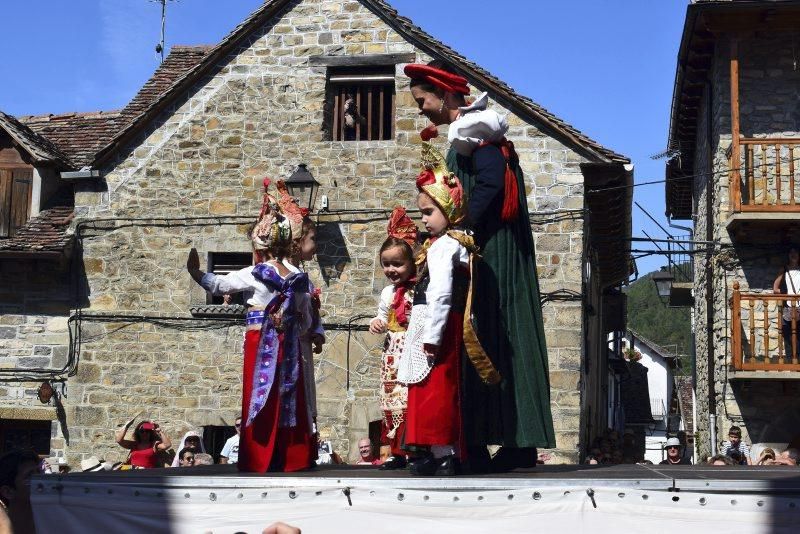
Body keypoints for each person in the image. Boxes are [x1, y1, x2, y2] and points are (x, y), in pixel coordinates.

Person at [405, 60, 554, 472]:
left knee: (496, 337)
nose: (420, 109)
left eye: (422, 100)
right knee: (479, 342)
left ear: (446, 94)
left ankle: (514, 440)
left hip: (495, 253)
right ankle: (483, 440)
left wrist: (460, 228)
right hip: (479, 250)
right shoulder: (462, 140)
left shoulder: (479, 135)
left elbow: (489, 185)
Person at [188, 178, 318, 473]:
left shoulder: (256, 273)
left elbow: (220, 284)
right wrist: (309, 335)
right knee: (289, 396)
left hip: (261, 341)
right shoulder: (299, 276)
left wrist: (195, 273)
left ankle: (260, 456)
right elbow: (305, 314)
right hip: (292, 344)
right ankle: (291, 457)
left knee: (261, 393)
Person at [397, 132, 495, 476]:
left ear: (448, 208)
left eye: (428, 212)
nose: (423, 219)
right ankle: (434, 451)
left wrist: (432, 335)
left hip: (434, 325)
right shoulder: (453, 244)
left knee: (433, 391)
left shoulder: (443, 246)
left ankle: (439, 451)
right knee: (432, 389)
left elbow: (440, 291)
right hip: (434, 322)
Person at [369, 207, 417, 470]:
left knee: (411, 401)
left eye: (397, 264)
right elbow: (381, 315)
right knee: (392, 401)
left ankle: (415, 450)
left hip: (413, 350)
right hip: (393, 353)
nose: (391, 269)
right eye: (386, 264)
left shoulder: (418, 289)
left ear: (411, 263)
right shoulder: (388, 293)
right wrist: (377, 322)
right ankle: (396, 451)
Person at [0, 449, 40, 534]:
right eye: (30, 476)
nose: (40, 481)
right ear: (8, 492)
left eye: (39, 473)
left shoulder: (54, 524)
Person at [773, 245, 800, 360]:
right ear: (788, 256)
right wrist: (786, 293)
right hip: (787, 308)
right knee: (788, 336)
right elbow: (775, 288)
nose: (793, 255)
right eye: (791, 253)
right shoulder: (784, 269)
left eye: (795, 252)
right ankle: (790, 361)